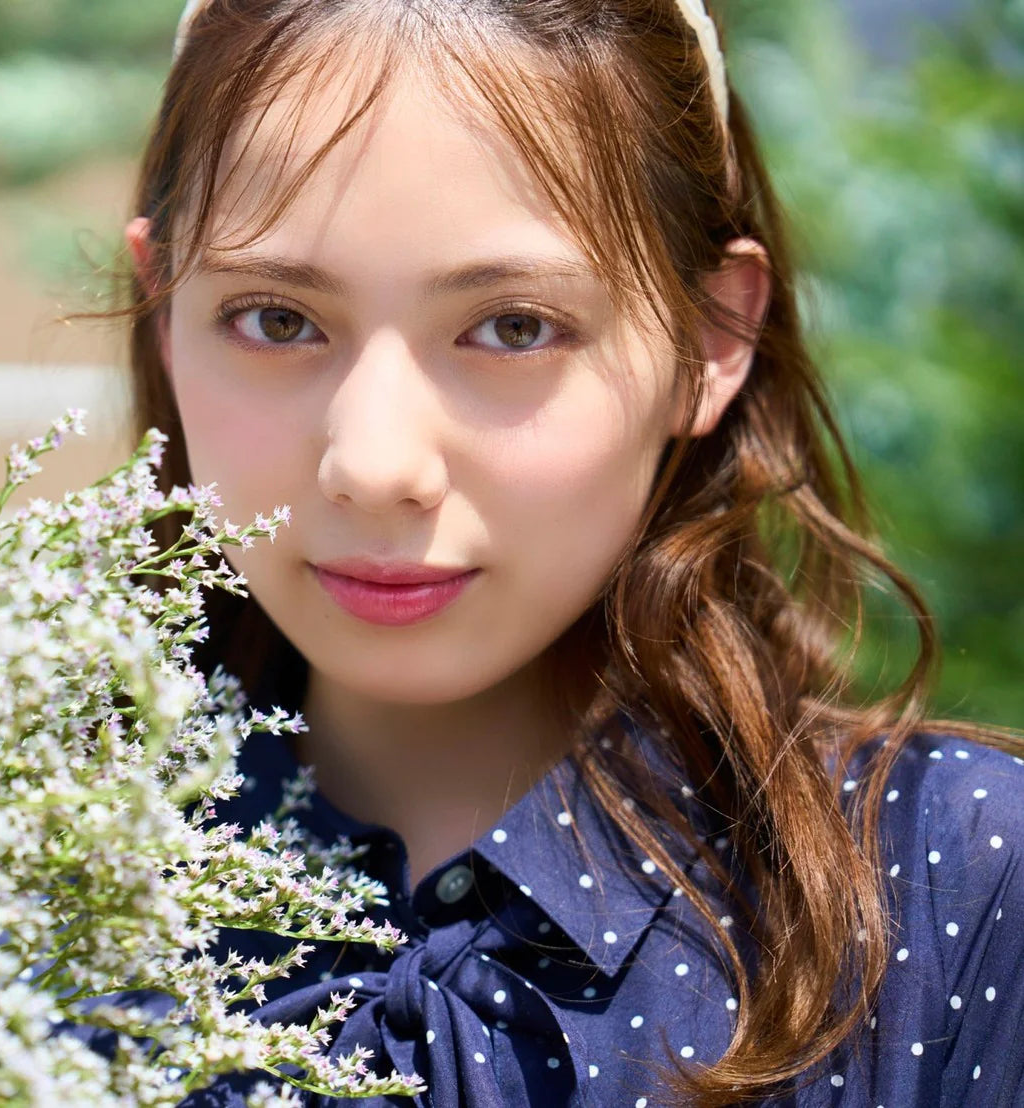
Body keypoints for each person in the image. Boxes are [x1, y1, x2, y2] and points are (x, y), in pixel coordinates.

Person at [73, 0, 1024, 1104]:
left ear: (708, 339)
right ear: (159, 306)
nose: (374, 464)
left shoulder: (951, 881)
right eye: (276, 320)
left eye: (513, 326)